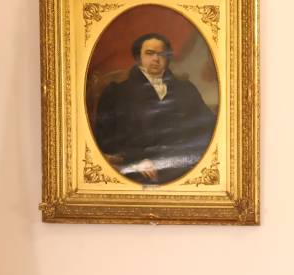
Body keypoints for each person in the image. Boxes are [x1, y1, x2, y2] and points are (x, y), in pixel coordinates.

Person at [92, 32, 217, 185]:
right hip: (138, 167)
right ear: (139, 58)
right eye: (150, 53)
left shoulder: (186, 89)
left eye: (161, 54)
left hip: (183, 165)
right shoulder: (117, 92)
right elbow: (106, 138)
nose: (156, 59)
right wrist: (135, 160)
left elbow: (207, 128)